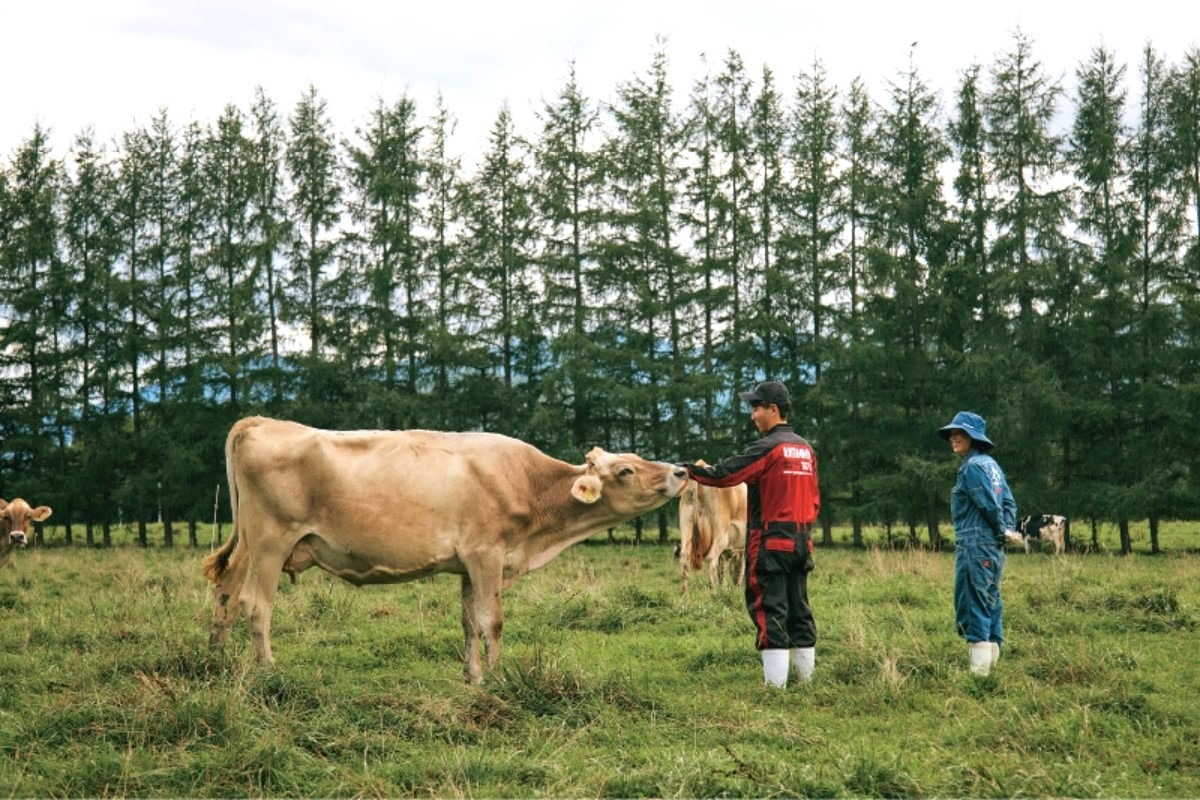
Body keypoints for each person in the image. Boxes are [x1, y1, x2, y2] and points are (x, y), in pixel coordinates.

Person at [681, 381, 821, 688]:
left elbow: (726, 475)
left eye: (756, 408)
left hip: (770, 541)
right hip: (802, 541)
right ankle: (806, 684)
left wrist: (688, 471)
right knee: (799, 610)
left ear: (774, 409)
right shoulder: (806, 450)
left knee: (769, 610)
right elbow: (814, 500)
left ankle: (775, 689)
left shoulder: (768, 448)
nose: (752, 415)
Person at [939, 411, 1018, 676]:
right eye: (952, 433)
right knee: (990, 603)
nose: (953, 438)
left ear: (974, 437)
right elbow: (1008, 502)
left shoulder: (972, 467)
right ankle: (992, 674)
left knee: (973, 605)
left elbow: (989, 504)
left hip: (975, 544)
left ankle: (979, 679)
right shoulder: (991, 465)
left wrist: (999, 529)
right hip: (993, 547)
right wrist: (1006, 531)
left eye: (960, 433)